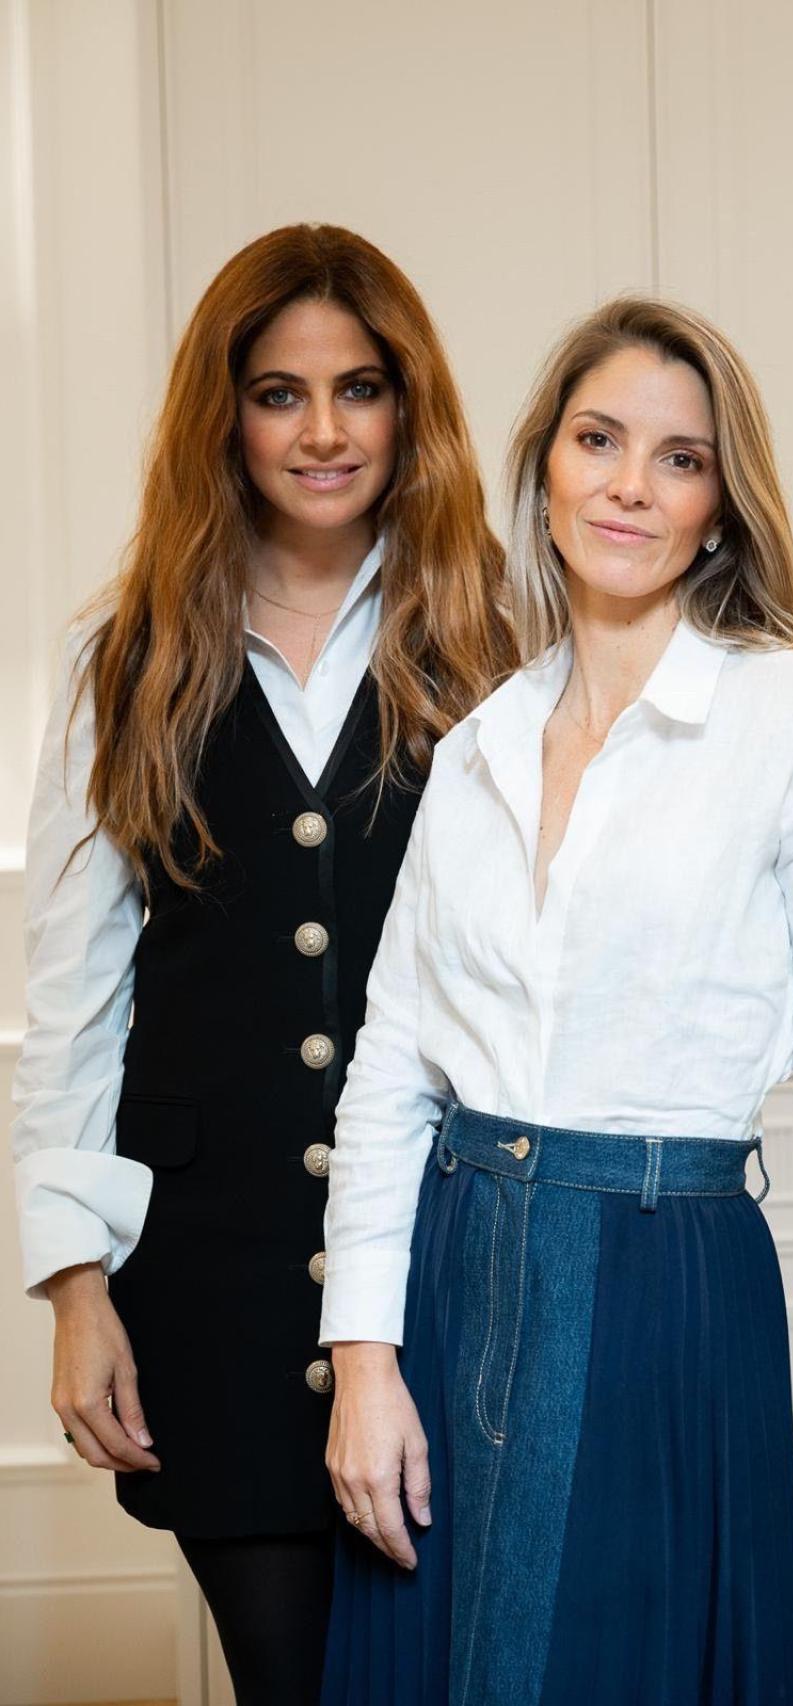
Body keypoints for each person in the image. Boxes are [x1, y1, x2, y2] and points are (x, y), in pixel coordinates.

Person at [316, 296, 793, 1706]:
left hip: (667, 1285)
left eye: (679, 458)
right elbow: (390, 1072)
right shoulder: (479, 744)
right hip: (454, 1267)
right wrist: (363, 1356)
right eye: (599, 439)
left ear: (721, 507)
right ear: (543, 467)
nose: (628, 483)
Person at [11, 222, 515, 1706]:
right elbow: (77, 995)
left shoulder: (488, 634)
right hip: (209, 1284)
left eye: (359, 389)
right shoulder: (127, 653)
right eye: (280, 392)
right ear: (223, 415)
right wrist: (76, 1287)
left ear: (406, 410)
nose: (322, 430)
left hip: (445, 1262)